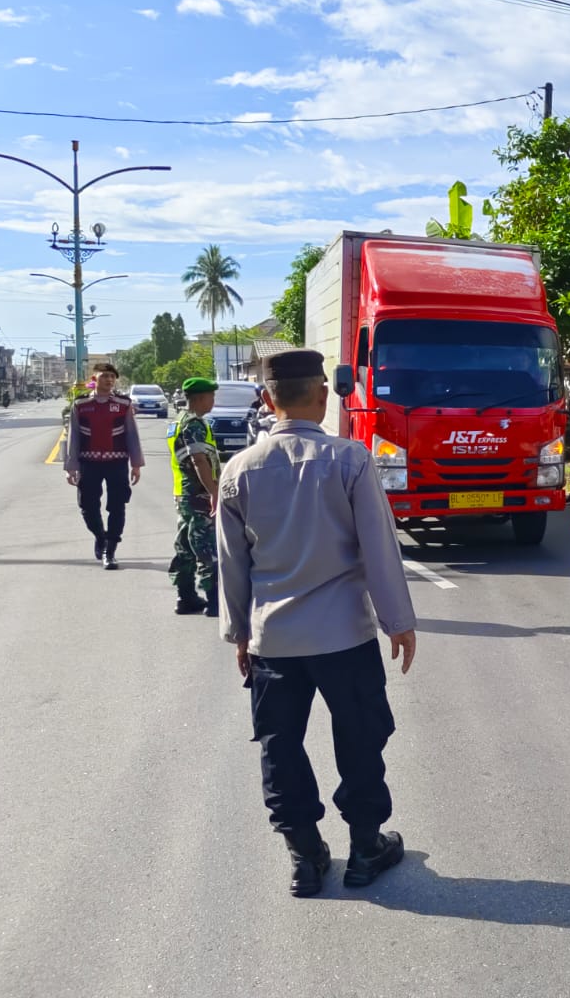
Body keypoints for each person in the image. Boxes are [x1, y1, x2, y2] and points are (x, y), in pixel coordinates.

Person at [217, 349, 418, 898]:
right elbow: (379, 548)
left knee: (280, 746)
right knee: (361, 738)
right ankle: (365, 849)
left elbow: (231, 564)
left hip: (274, 640)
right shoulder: (349, 460)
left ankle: (304, 858)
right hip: (344, 636)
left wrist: (240, 635)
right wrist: (398, 622)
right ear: (323, 395)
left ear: (268, 399)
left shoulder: (239, 470)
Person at [64, 363, 144, 570]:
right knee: (87, 506)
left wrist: (136, 465)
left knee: (117, 506)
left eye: (112, 377)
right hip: (88, 463)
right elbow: (73, 436)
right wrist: (71, 467)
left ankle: (110, 550)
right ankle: (100, 536)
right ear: (95, 379)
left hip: (117, 462)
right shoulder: (81, 404)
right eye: (105, 376)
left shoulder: (123, 404)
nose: (109, 380)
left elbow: (132, 435)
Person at [168, 377, 221, 617]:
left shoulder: (178, 421)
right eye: (211, 396)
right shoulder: (194, 425)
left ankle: (185, 597)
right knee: (206, 546)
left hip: (183, 493)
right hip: (198, 494)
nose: (213, 401)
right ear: (200, 398)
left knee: (186, 546)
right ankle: (214, 601)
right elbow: (199, 460)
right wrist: (213, 492)